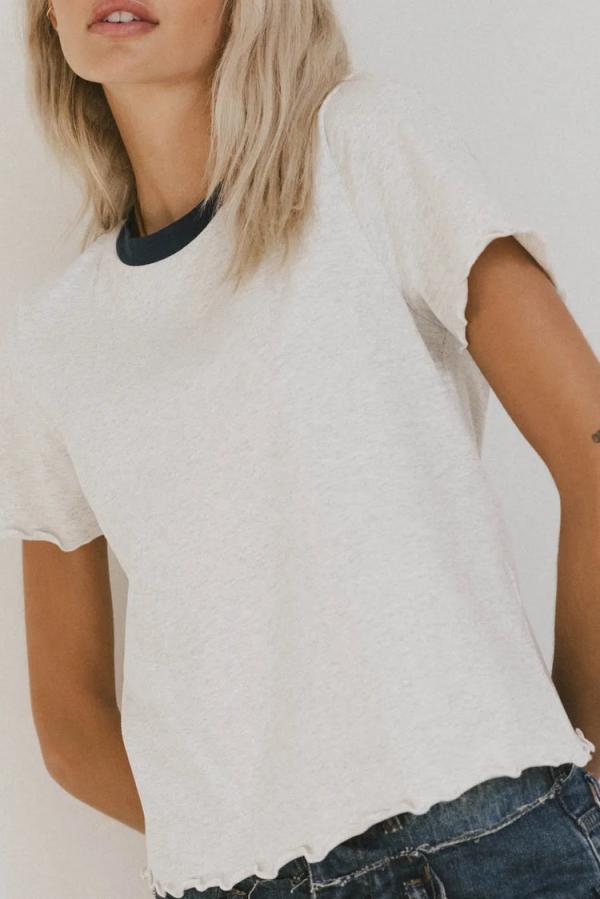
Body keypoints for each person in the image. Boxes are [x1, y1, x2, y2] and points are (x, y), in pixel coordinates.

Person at [2, 1, 600, 897]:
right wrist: (236, 841)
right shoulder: (55, 341)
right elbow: (71, 726)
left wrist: (579, 767)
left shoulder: (362, 146)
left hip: (489, 841)